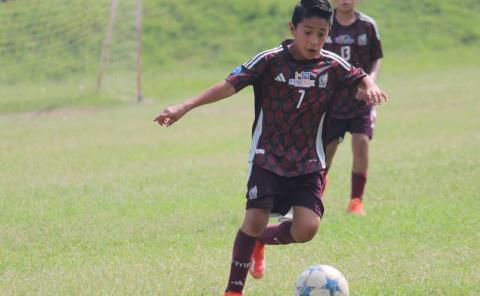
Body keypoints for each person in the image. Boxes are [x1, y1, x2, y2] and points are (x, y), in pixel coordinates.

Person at [153, 0, 387, 295]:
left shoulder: (331, 64)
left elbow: (358, 73)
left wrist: (370, 86)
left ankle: (261, 241)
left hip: (308, 160)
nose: (315, 41)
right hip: (268, 155)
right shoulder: (270, 59)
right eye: (308, 32)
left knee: (307, 229)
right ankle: (233, 290)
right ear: (293, 28)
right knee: (254, 218)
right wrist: (185, 106)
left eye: (322, 33)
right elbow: (229, 84)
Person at [322, 0, 384, 215]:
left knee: (361, 143)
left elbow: (376, 58)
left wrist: (370, 84)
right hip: (331, 100)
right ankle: (315, 195)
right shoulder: (324, 23)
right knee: (326, 150)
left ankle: (356, 201)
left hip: (361, 100)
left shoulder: (367, 25)